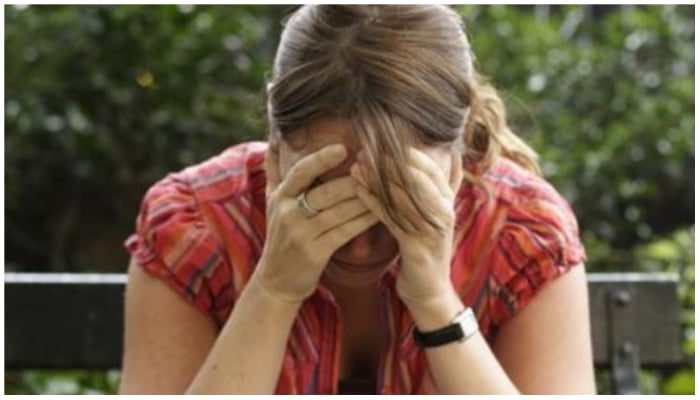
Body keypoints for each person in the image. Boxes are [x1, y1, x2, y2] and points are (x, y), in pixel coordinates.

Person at [119, 5, 596, 395]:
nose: (360, 247)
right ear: (275, 143)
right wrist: (273, 290)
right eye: (326, 198)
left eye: (393, 206)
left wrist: (435, 302)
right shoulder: (196, 225)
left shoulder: (524, 231)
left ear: (455, 158)